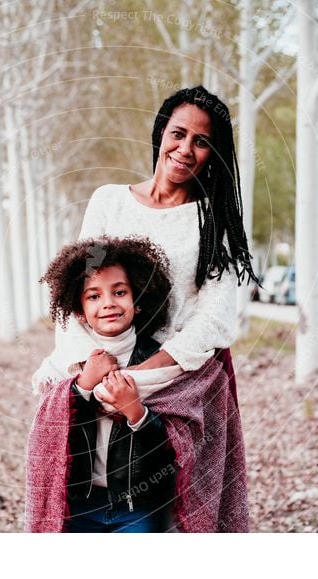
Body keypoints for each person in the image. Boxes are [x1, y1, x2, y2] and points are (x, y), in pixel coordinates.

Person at [26, 86, 258, 533]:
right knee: (76, 496)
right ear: (160, 133)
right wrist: (88, 370)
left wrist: (139, 377)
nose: (185, 150)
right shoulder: (109, 201)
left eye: (202, 142)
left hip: (176, 381)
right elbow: (78, 289)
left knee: (168, 510)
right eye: (178, 133)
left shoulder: (212, 222)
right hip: (96, 367)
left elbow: (213, 319)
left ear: (214, 154)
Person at [32, 236, 178, 532]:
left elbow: (178, 447)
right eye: (94, 296)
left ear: (139, 301)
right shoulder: (67, 362)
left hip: (140, 507)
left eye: (120, 292)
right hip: (78, 505)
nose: (108, 303)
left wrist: (135, 411)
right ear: (78, 310)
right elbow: (51, 432)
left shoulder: (163, 361)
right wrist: (84, 383)